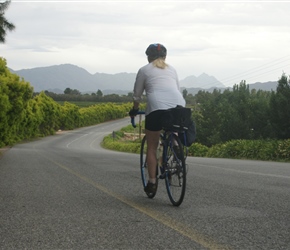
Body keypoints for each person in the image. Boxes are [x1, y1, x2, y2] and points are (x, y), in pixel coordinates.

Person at [129, 43, 186, 194]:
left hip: (156, 108)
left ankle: (152, 182)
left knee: (152, 147)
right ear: (165, 57)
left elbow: (137, 95)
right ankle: (174, 140)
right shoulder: (172, 69)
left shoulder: (144, 70)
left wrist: (134, 110)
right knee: (172, 127)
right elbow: (177, 90)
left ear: (148, 57)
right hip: (178, 107)